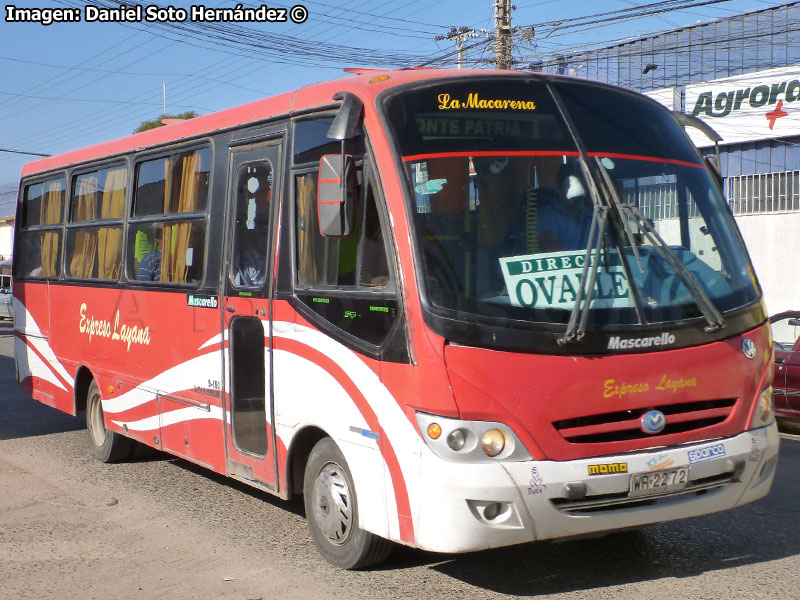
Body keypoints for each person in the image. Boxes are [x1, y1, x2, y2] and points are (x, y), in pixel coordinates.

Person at [537, 161, 594, 252]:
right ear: (559, 189)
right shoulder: (547, 215)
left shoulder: (597, 215)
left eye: (584, 185)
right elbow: (548, 244)